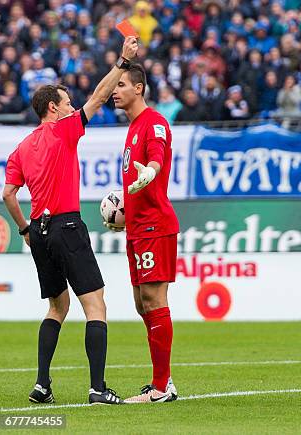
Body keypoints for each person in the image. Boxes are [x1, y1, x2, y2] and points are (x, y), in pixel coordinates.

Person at [1, 36, 139, 406]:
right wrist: (122, 63)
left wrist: (25, 230)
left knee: (56, 308)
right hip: (66, 226)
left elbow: (8, 195)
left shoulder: (20, 148)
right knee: (96, 307)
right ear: (52, 108)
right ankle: (97, 388)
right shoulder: (63, 131)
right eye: (66, 103)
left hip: (40, 233)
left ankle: (42, 385)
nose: (72, 106)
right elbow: (97, 97)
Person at [109, 63, 180, 403]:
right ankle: (164, 380)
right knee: (142, 303)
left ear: (138, 88)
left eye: (121, 84)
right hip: (137, 228)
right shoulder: (133, 127)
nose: (115, 90)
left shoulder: (154, 123)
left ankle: (161, 386)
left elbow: (157, 158)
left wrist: (151, 173)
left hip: (155, 225)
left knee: (154, 300)